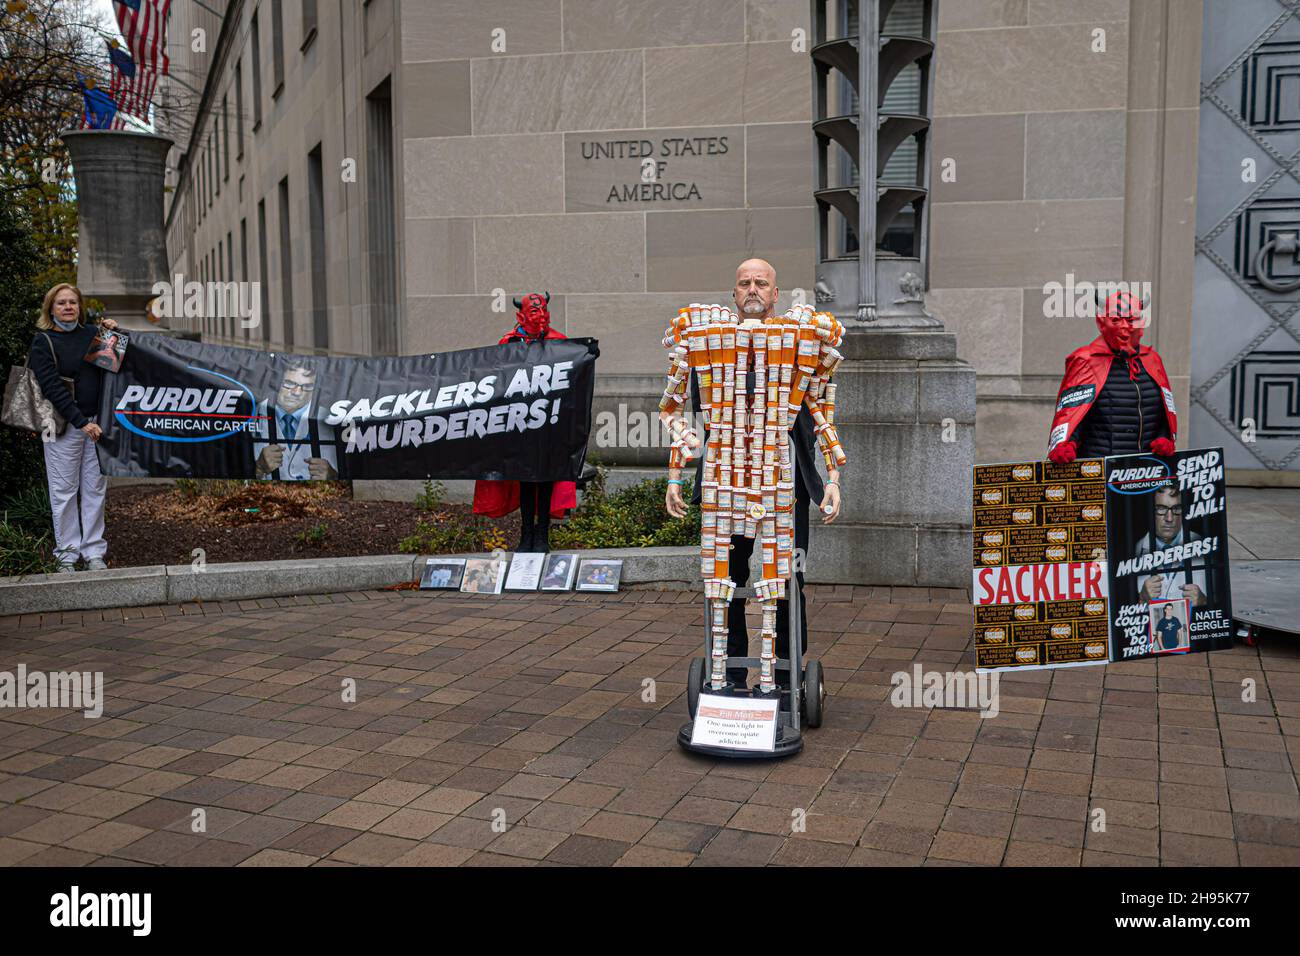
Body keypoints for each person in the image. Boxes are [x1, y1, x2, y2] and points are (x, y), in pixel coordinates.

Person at [665, 258, 843, 690]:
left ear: (776, 294)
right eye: (744, 283)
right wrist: (675, 473)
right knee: (725, 576)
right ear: (733, 293)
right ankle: (729, 673)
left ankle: (784, 675)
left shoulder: (800, 339)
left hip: (785, 479)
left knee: (786, 574)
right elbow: (674, 408)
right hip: (725, 480)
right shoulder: (705, 339)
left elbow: (820, 408)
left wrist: (833, 476)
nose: (752, 290)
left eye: (761, 283)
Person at [472, 292, 576, 552]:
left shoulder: (559, 343)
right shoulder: (509, 343)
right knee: (525, 480)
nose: (540, 317)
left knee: (545, 479)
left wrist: (586, 355)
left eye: (543, 312)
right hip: (520, 425)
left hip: (548, 426)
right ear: (521, 315)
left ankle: (542, 535)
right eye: (534, 313)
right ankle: (526, 534)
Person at [27, 283, 120, 571]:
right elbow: (52, 387)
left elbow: (115, 367)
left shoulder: (94, 335)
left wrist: (114, 335)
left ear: (80, 307)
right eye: (61, 303)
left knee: (94, 489)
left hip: (96, 424)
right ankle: (67, 555)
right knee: (63, 491)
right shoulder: (44, 341)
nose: (67, 307)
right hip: (61, 426)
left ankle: (93, 553)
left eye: (72, 302)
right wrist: (81, 423)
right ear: (50, 309)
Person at [1047, 289, 1177, 462]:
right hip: (1101, 469)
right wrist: (1065, 443)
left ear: (1142, 323)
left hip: (1146, 469)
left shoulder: (1152, 360)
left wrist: (1164, 438)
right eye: (1116, 319)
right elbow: (1072, 410)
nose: (1124, 326)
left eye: (1131, 320)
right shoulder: (1087, 360)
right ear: (1101, 323)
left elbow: (1165, 409)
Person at [251, 363, 340, 481]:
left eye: (307, 386)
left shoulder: (330, 420)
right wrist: (258, 468)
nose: (297, 392)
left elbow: (350, 472)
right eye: (289, 383)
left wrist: (332, 476)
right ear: (275, 382)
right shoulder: (250, 414)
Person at [1135, 483, 1208, 606]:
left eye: (1176, 509)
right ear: (1150, 511)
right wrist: (1141, 598)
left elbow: (1221, 603)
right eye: (1161, 508)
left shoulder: (1204, 545)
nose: (1169, 518)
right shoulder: (1135, 548)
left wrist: (1204, 601)